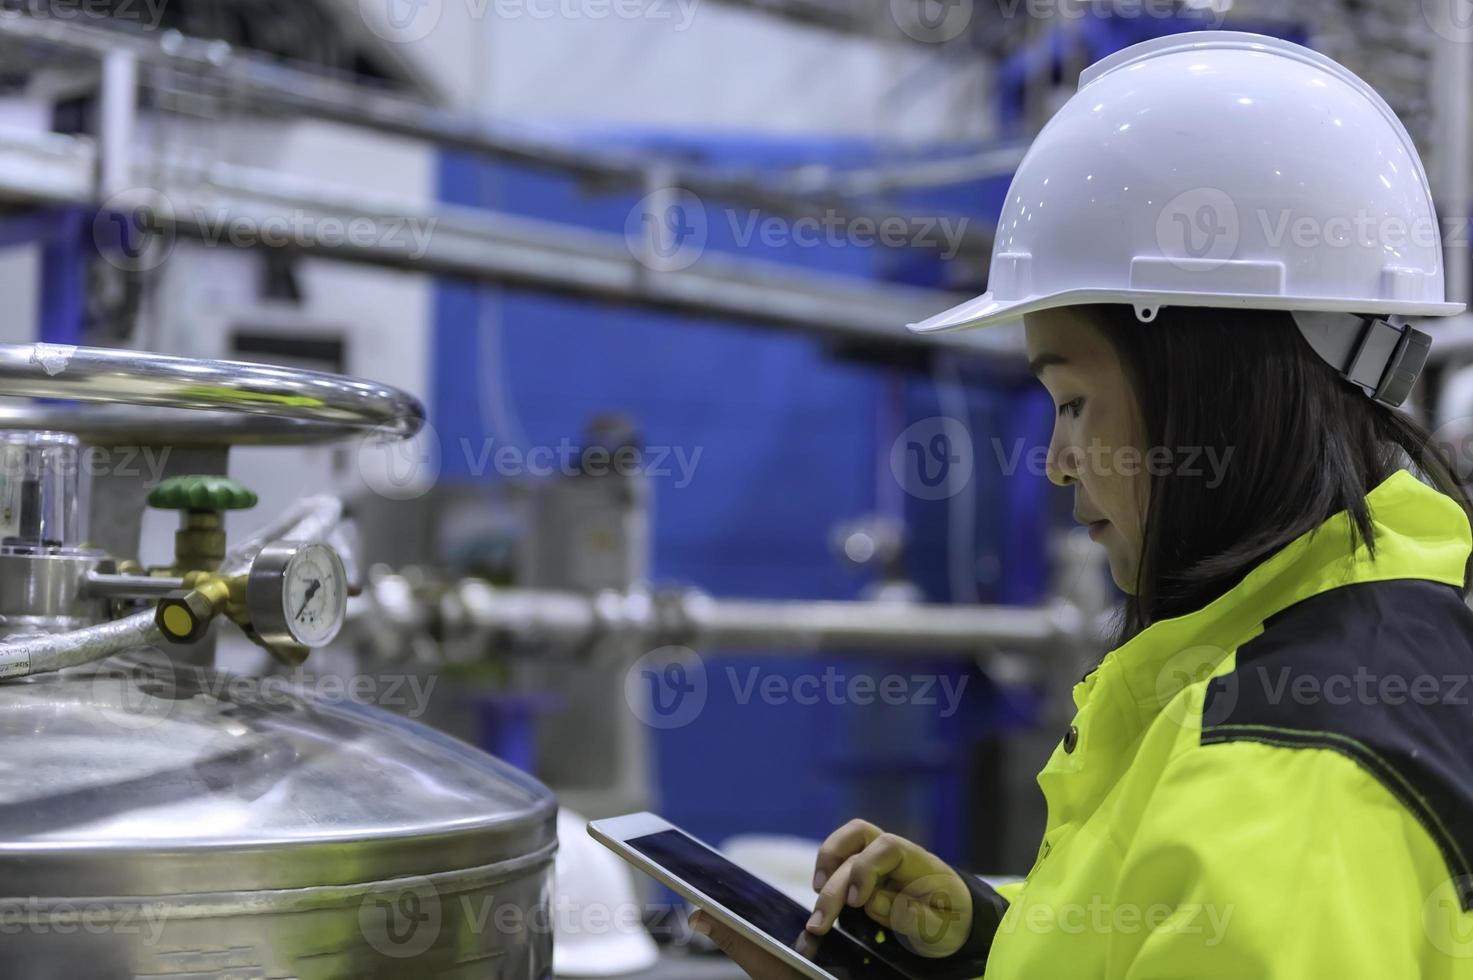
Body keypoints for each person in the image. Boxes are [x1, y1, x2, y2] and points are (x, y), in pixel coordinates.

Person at [692, 31, 1473, 978]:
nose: (1059, 464)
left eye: (1071, 401)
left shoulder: (1287, 776)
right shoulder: (1342, 625)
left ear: (1209, 382)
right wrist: (979, 932)